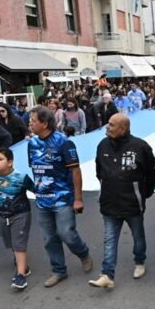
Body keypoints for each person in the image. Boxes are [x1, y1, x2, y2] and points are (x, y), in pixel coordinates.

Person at [28, 106, 94, 288]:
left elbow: (75, 170)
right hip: (42, 200)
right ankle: (59, 270)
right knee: (49, 238)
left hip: (63, 198)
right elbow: (35, 170)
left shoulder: (63, 142)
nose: (30, 124)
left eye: (33, 120)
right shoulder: (31, 144)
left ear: (45, 123)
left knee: (66, 233)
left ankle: (83, 253)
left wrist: (78, 198)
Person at [89, 113, 155, 289]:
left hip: (132, 204)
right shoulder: (102, 145)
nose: (107, 127)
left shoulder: (140, 147)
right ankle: (107, 275)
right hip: (109, 203)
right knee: (109, 239)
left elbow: (151, 174)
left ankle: (140, 262)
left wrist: (144, 194)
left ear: (123, 128)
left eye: (111, 125)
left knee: (138, 236)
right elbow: (99, 171)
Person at [0, 148, 35, 290]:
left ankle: (20, 276)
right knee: (11, 243)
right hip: (2, 215)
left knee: (18, 243)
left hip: (21, 214)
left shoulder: (21, 177)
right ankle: (23, 265)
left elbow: (35, 189)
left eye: (0, 159)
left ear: (10, 162)